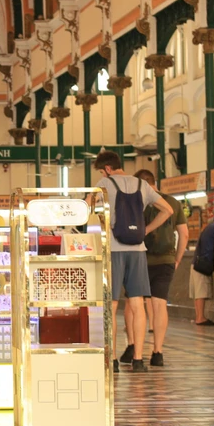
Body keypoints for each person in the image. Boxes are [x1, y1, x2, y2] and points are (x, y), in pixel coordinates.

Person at [93, 151, 174, 374]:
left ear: (108, 169)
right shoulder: (142, 184)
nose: (101, 174)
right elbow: (168, 210)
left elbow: (86, 208)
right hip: (138, 250)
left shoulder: (104, 184)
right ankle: (138, 359)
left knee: (112, 306)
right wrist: (145, 230)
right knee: (138, 306)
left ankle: (112, 360)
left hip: (114, 249)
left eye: (101, 170)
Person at [133, 169, 188, 367]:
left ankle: (134, 348)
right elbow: (184, 234)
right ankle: (158, 352)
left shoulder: (140, 202)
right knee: (159, 304)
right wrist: (177, 258)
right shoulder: (173, 202)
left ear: (143, 184)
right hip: (166, 260)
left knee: (137, 303)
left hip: (142, 259)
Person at [190, 211, 214, 326]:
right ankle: (200, 318)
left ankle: (199, 316)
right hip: (203, 264)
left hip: (197, 263)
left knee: (198, 292)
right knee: (201, 291)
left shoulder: (209, 227)